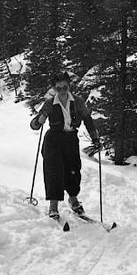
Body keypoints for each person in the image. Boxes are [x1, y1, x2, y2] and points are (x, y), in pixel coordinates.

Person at [30, 73, 100, 220]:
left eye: (65, 87)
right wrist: (40, 119)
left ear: (69, 86)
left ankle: (73, 200)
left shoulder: (78, 102)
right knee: (54, 172)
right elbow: (34, 126)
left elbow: (88, 119)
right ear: (54, 89)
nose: (62, 90)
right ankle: (53, 206)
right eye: (58, 88)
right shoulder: (49, 103)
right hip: (53, 141)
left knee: (73, 171)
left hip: (71, 140)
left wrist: (95, 138)